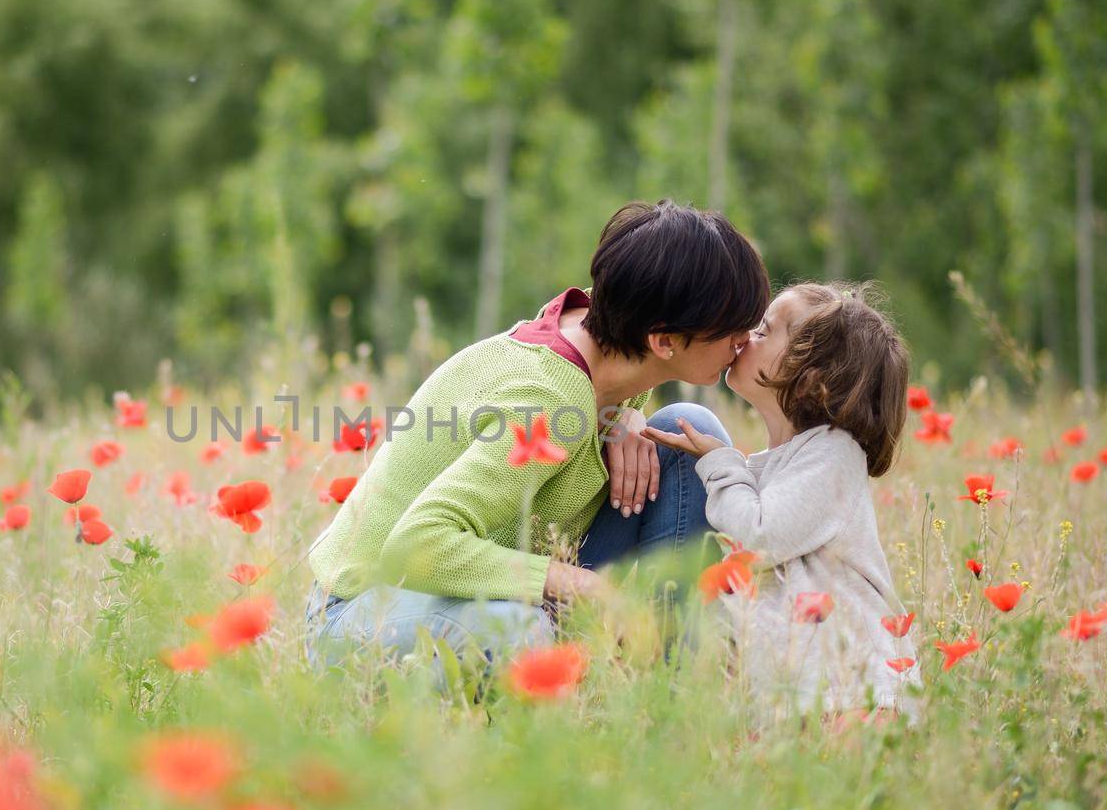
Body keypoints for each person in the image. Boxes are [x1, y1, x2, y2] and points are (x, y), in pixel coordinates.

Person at [305, 200, 770, 664]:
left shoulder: (607, 336)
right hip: (368, 610)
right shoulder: (550, 401)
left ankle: (669, 677)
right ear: (663, 341)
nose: (745, 340)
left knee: (686, 437)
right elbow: (413, 547)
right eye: (732, 328)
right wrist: (583, 585)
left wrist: (622, 417)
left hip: (492, 587)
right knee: (519, 631)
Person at [646, 282, 921, 717]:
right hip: (799, 701)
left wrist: (721, 463)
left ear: (810, 375)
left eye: (763, 331)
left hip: (854, 699)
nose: (743, 338)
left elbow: (757, 537)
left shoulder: (834, 453)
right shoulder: (775, 464)